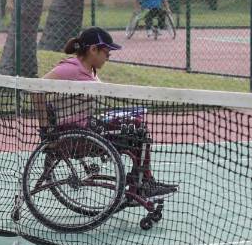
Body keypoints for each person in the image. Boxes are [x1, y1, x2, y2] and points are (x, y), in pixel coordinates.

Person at [37, 27, 177, 200]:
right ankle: (142, 184)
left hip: (89, 128)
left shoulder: (90, 71)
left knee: (136, 123)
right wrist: (45, 129)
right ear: (93, 49)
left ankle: (142, 180)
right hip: (76, 137)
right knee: (138, 128)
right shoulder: (71, 68)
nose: (109, 56)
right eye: (106, 52)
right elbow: (36, 88)